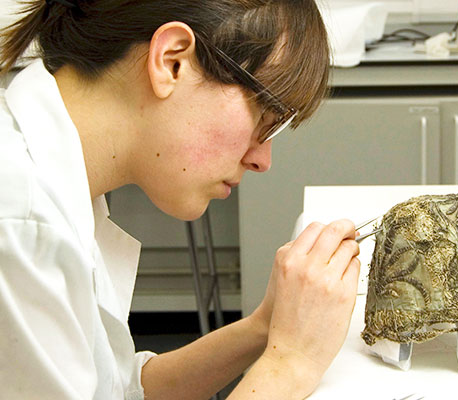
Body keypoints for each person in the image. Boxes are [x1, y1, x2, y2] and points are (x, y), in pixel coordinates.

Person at [0, 0, 361, 399]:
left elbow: (120, 388)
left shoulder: (52, 176)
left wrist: (264, 326)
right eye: (266, 117)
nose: (262, 160)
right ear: (172, 62)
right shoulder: (19, 220)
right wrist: (290, 364)